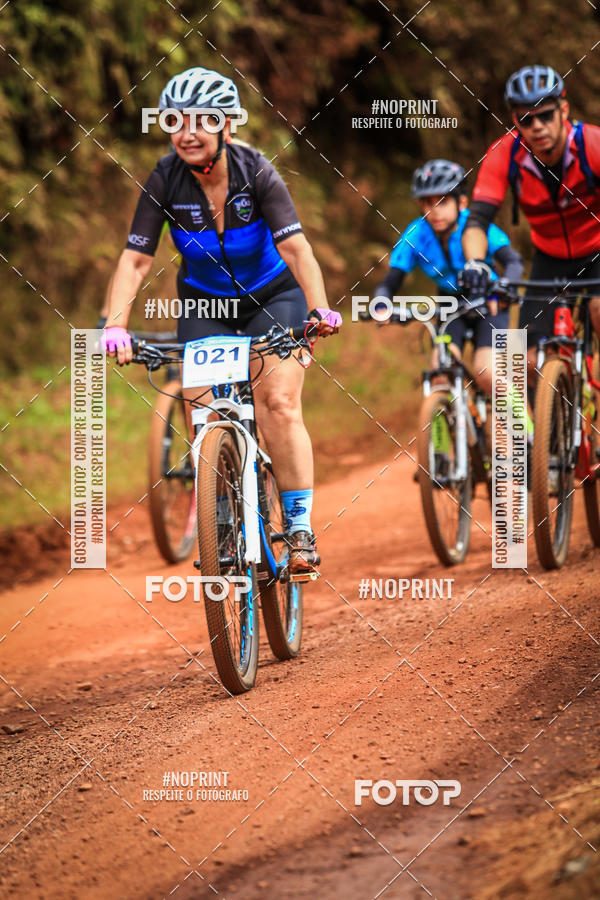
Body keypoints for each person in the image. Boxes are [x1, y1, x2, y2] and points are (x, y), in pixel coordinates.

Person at [101, 66, 341, 577]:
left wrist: (318, 308)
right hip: (205, 307)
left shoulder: (257, 173)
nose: (187, 132)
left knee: (278, 402)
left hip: (272, 299)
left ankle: (299, 527)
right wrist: (116, 325)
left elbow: (296, 249)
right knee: (204, 414)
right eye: (176, 121)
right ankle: (223, 514)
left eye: (201, 120)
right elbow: (136, 260)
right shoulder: (164, 178)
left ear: (226, 125)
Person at [462, 64, 600, 406]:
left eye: (545, 115)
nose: (537, 126)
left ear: (563, 110)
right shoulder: (505, 154)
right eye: (526, 119)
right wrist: (475, 263)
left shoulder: (593, 144)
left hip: (597, 250)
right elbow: (477, 221)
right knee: (521, 359)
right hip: (548, 259)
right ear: (515, 120)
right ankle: (541, 433)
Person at [375, 158, 523, 395]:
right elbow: (391, 280)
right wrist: (381, 304)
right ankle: (454, 414)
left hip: (489, 299)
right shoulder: (416, 234)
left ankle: (523, 418)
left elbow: (513, 261)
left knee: (487, 372)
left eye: (442, 201)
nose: (434, 210)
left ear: (461, 202)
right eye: (427, 202)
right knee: (440, 372)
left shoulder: (475, 225)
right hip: (449, 303)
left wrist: (506, 286)